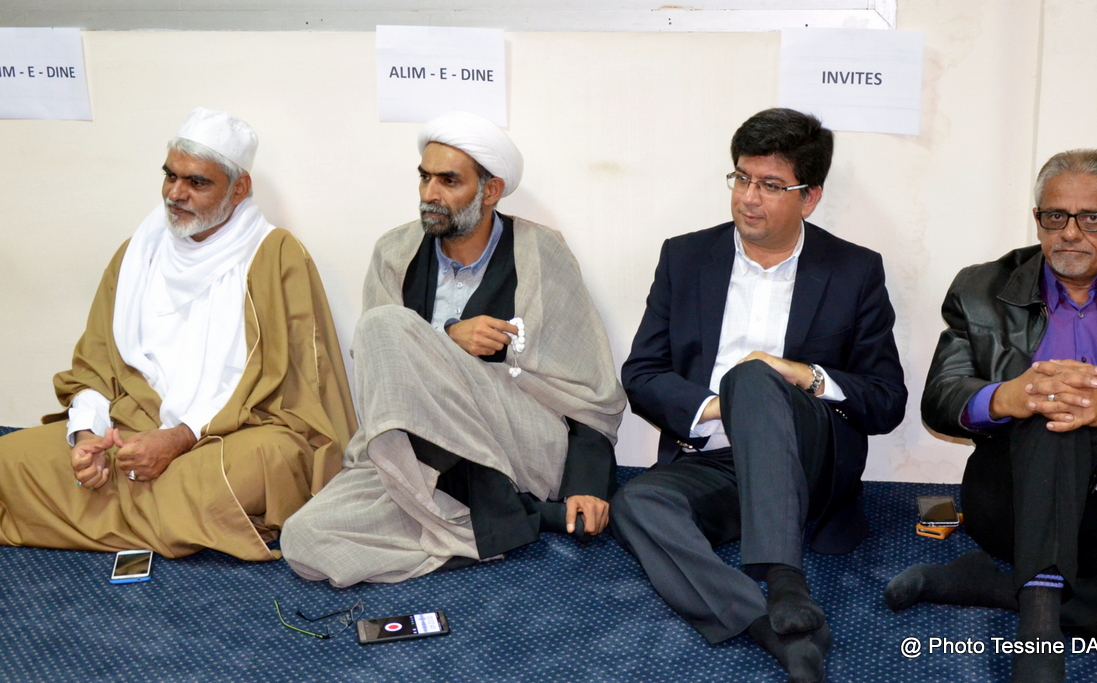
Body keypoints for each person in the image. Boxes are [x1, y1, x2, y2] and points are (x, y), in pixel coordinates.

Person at [610, 108, 907, 683]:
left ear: (810, 197)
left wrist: (802, 376)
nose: (748, 197)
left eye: (771, 185)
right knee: (637, 504)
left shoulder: (854, 270)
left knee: (753, 375)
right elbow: (642, 373)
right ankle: (767, 628)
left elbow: (886, 400)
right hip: (714, 459)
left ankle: (784, 578)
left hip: (807, 461)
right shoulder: (685, 257)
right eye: (742, 178)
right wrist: (725, 407)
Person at [885, 149, 1097, 682]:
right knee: (1058, 414)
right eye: (1055, 216)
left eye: (1091, 218)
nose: (1070, 233)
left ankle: (995, 589)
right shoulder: (981, 287)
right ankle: (1038, 640)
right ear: (1037, 219)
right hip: (1013, 497)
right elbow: (940, 397)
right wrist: (1009, 397)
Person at [281, 111, 626, 586]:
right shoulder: (394, 252)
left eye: (448, 181)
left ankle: (489, 510)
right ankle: (501, 521)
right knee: (305, 539)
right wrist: (448, 336)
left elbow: (589, 391)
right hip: (423, 452)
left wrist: (586, 485)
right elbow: (383, 372)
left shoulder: (539, 252)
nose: (429, 194)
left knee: (382, 324)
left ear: (491, 190)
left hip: (519, 443)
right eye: (424, 177)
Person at [0, 108, 356, 560]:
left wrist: (179, 438)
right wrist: (88, 435)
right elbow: (95, 364)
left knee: (266, 461)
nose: (175, 193)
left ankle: (92, 511)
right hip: (131, 427)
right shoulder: (138, 252)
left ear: (239, 188)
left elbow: (294, 389)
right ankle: (170, 521)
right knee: (7, 460)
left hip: (225, 437)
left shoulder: (276, 256)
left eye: (196, 182)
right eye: (170, 176)